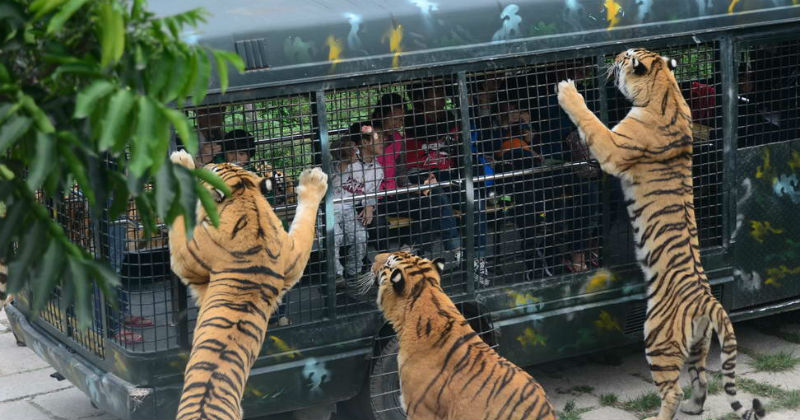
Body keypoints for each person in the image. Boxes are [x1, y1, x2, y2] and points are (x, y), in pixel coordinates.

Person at [330, 124, 384, 284]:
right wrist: (346, 160)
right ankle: (336, 275)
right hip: (326, 208)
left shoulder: (378, 170)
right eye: (378, 138)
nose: (382, 142)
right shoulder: (349, 155)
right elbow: (333, 165)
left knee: (361, 236)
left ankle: (354, 272)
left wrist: (369, 206)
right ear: (366, 142)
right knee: (335, 236)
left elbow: (370, 194)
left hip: (348, 209)